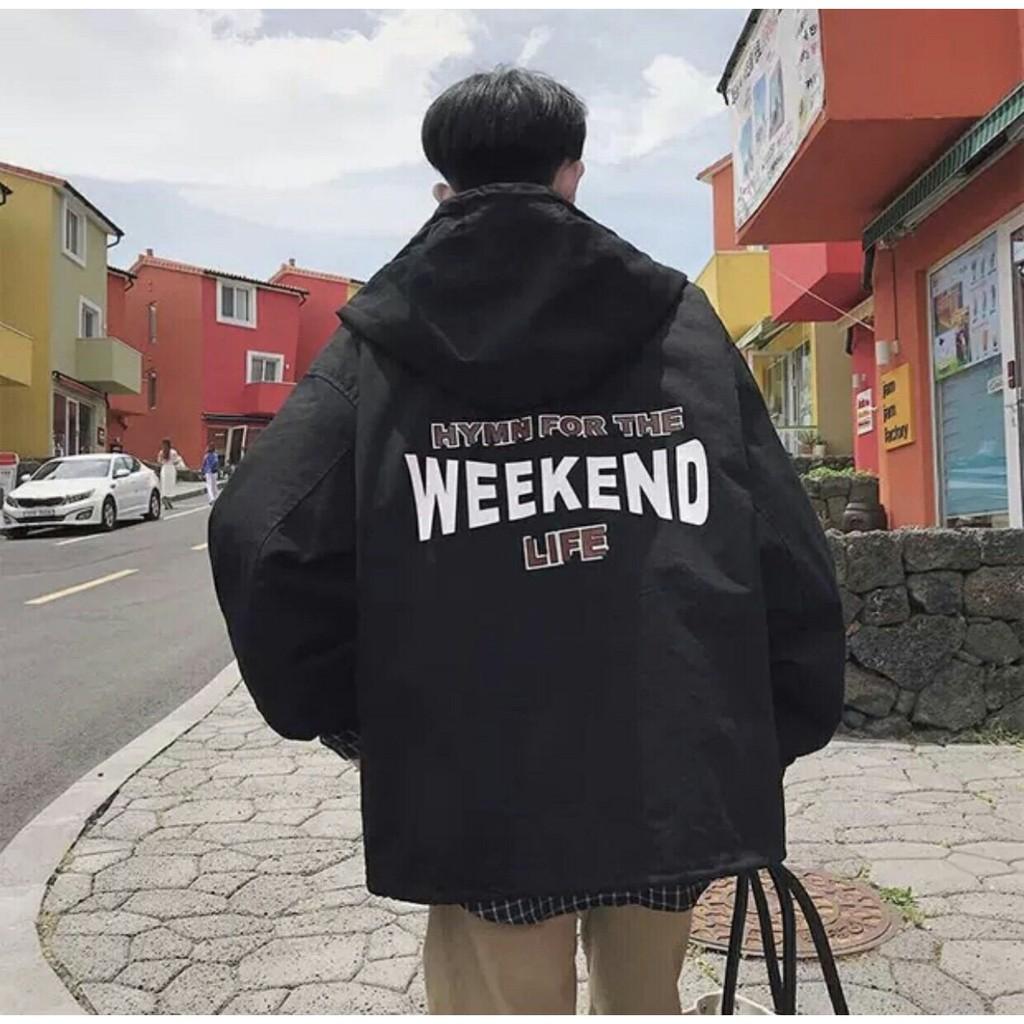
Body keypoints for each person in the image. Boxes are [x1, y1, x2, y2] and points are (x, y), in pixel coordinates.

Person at [209, 67, 845, 1015]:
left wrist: (352, 717)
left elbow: (259, 533)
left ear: (444, 191)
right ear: (571, 176)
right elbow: (784, 536)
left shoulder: (381, 338)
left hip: (477, 774)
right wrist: (772, 720)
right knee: (646, 999)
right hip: (665, 760)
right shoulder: (678, 319)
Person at [157, 438, 185, 510]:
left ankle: (165, 500)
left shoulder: (161, 452)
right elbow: (176, 461)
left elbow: (159, 461)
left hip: (164, 469)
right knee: (170, 486)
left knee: (164, 485)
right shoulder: (173, 452)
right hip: (171, 468)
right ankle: (168, 501)